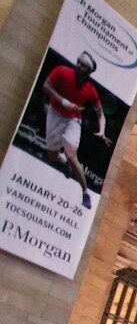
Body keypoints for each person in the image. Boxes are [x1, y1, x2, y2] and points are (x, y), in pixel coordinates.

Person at [41, 52, 111, 208]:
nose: (78, 66)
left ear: (88, 71)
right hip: (55, 114)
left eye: (83, 65)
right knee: (52, 155)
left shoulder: (91, 90)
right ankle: (63, 161)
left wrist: (102, 131)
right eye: (78, 62)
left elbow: (101, 114)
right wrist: (62, 101)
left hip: (73, 120)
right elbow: (46, 86)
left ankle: (85, 193)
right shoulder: (61, 71)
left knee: (71, 155)